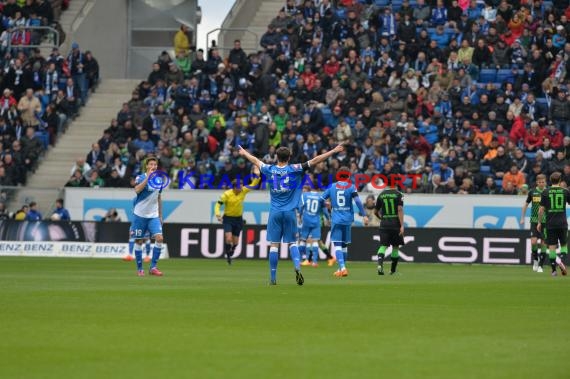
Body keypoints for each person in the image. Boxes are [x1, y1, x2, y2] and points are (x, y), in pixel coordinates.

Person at [238, 143, 345, 285]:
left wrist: (244, 153)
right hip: (289, 212)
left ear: (277, 157)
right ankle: (297, 267)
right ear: (289, 158)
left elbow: (256, 161)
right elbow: (315, 160)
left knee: (274, 245)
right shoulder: (295, 169)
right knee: (292, 243)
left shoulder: (270, 169)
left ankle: (273, 278)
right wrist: (333, 151)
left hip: (275, 212)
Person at [321, 168, 369, 277]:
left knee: (337, 244)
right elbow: (357, 201)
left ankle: (342, 268)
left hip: (336, 219)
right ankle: (340, 269)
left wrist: (327, 204)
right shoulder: (351, 187)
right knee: (344, 245)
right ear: (348, 176)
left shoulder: (332, 186)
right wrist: (364, 215)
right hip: (347, 219)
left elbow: (321, 199)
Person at [214, 166, 262, 265]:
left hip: (238, 219)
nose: (241, 188)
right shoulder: (226, 194)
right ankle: (228, 256)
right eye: (239, 186)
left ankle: (232, 250)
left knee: (235, 242)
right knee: (228, 238)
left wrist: (257, 175)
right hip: (228, 218)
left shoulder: (243, 191)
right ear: (234, 187)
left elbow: (253, 184)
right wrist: (218, 215)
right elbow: (217, 205)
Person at [129, 156, 165, 276]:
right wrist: (148, 178)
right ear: (147, 166)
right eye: (151, 165)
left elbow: (159, 197)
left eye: (155, 165)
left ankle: (153, 267)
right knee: (139, 241)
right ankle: (140, 269)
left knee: (159, 238)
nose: (153, 167)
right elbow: (137, 190)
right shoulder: (140, 177)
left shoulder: (159, 180)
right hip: (140, 215)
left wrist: (160, 215)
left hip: (153, 215)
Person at [537, 172, 569, 276]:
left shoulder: (545, 192)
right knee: (564, 245)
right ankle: (561, 260)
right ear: (560, 181)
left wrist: (539, 222)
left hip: (550, 223)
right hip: (562, 223)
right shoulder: (565, 191)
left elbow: (541, 210)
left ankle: (554, 270)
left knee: (551, 247)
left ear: (550, 181)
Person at [374, 184, 405, 275]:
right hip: (395, 224)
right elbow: (399, 209)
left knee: (383, 246)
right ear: (395, 184)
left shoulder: (381, 194)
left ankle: (380, 265)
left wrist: (382, 218)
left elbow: (375, 211)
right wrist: (402, 225)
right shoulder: (399, 194)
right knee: (395, 246)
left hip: (384, 224)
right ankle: (392, 270)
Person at [520, 174, 548, 273]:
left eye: (543, 182)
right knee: (534, 242)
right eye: (539, 182)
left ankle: (541, 266)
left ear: (545, 182)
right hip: (534, 221)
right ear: (537, 182)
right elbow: (525, 205)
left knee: (544, 244)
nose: (541, 183)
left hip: (546, 221)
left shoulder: (547, 192)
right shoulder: (532, 192)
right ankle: (536, 260)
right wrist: (522, 218)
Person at [298, 185, 330, 267]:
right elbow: (325, 210)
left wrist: (300, 216)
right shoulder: (320, 197)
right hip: (316, 221)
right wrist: (328, 218)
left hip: (306, 220)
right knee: (315, 241)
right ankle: (314, 262)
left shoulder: (305, 195)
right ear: (318, 189)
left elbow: (301, 207)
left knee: (303, 240)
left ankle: (298, 260)